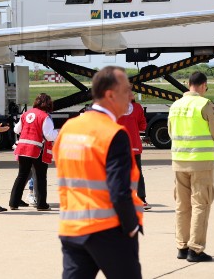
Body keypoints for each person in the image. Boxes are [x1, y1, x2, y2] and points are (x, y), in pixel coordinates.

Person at [54, 66, 144, 279]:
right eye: (127, 91)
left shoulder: (69, 128)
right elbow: (119, 191)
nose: (131, 96)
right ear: (110, 95)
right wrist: (131, 226)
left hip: (72, 228)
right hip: (108, 230)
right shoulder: (113, 133)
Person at [168, 71, 214, 263]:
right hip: (200, 162)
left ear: (188, 84)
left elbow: (170, 131)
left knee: (182, 206)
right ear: (203, 85)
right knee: (201, 204)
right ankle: (195, 249)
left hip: (178, 162)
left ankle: (181, 246)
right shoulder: (205, 104)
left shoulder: (175, 105)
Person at [8, 93, 58, 211]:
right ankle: (41, 204)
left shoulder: (26, 114)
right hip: (37, 150)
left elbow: (16, 129)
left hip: (23, 149)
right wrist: (59, 133)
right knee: (40, 177)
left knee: (21, 175)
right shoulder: (45, 117)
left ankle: (13, 202)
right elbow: (49, 136)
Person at [118, 98, 149, 209]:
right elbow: (143, 126)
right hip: (134, 145)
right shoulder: (137, 107)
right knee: (138, 173)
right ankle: (141, 199)